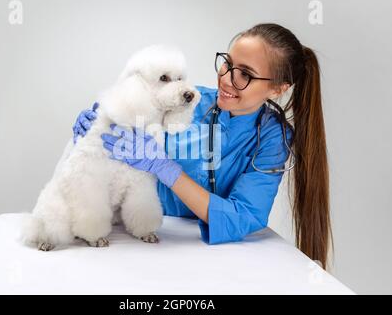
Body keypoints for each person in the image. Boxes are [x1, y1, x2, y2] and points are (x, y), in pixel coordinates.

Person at [72, 23, 332, 269]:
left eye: (245, 74)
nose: (227, 79)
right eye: (228, 64)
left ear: (277, 89)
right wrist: (102, 125)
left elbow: (243, 217)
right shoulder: (187, 100)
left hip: (211, 258)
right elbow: (131, 126)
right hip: (136, 239)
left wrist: (165, 168)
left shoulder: (273, 138)